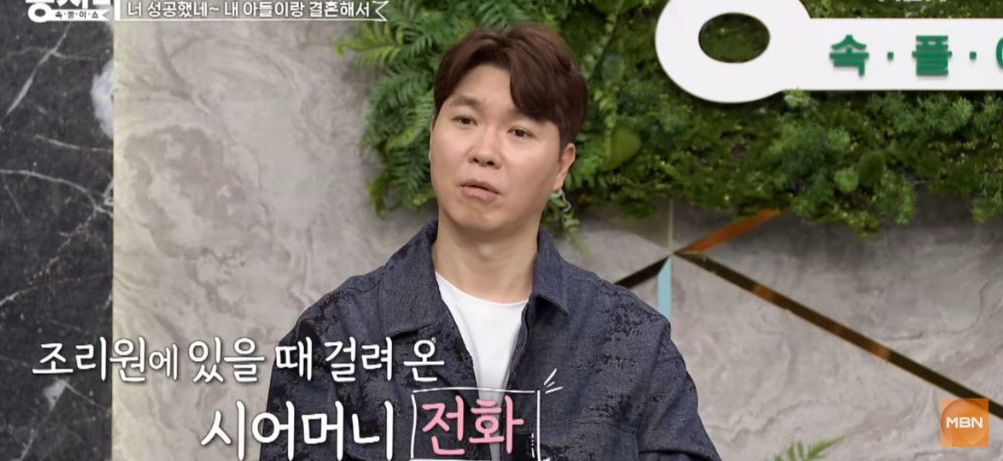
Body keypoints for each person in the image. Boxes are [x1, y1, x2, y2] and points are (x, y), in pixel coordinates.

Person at [261, 23, 720, 461]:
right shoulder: (338, 333)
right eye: (465, 120)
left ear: (561, 166)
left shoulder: (631, 344)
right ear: (432, 135)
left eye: (519, 132)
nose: (484, 151)